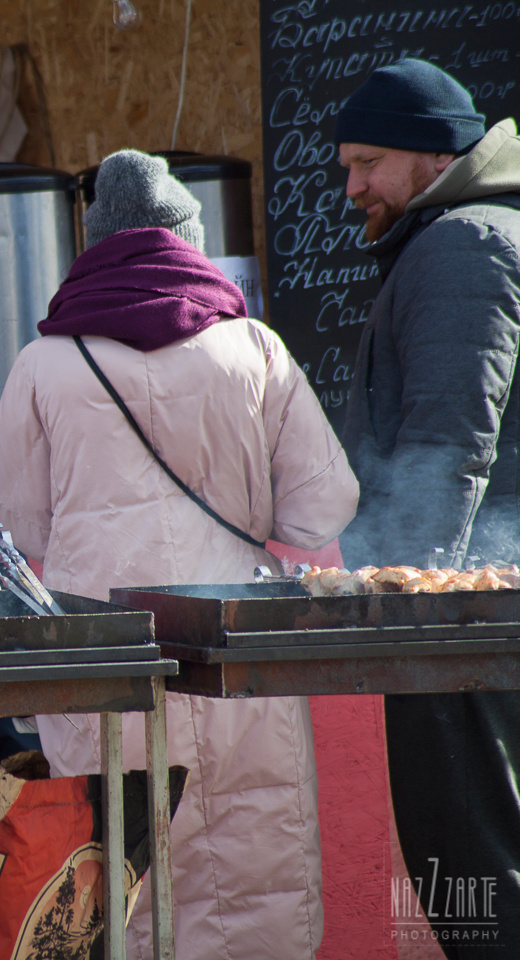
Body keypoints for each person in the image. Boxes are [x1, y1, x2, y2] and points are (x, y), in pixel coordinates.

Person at [0, 149, 359, 959]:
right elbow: (321, 510)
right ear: (190, 244)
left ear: (94, 246)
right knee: (248, 855)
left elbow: (24, 527)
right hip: (234, 645)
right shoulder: (253, 346)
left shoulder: (43, 362)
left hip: (102, 652)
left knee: (118, 863)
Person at [333, 58, 520, 958]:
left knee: (479, 877)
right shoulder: (471, 234)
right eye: (347, 167)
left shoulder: (462, 245)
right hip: (479, 612)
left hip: (467, 623)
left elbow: (452, 441)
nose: (353, 188)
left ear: (435, 156)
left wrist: (409, 601)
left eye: (368, 163)